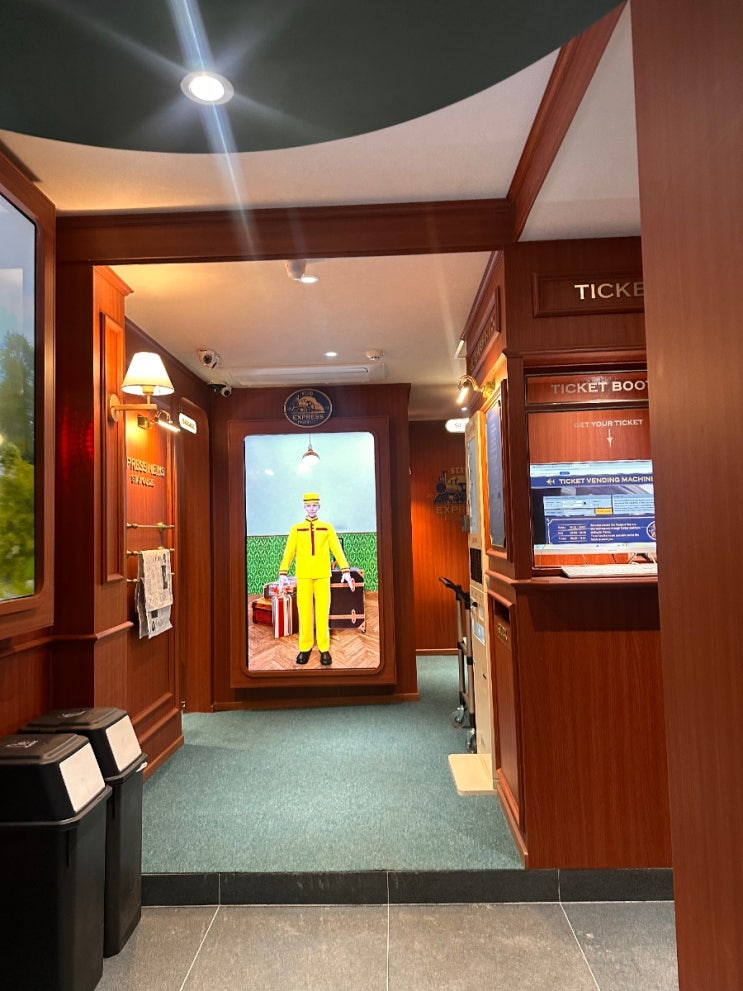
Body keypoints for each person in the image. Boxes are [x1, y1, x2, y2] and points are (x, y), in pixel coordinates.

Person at [278, 492, 355, 666]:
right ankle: (305, 648)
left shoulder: (327, 528)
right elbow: (289, 552)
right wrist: (283, 572)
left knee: (322, 612)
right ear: (304, 507)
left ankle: (324, 648)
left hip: (322, 575)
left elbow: (337, 549)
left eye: (314, 505)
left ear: (319, 506)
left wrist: (345, 570)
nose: (311, 508)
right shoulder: (296, 529)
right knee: (304, 612)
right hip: (304, 575)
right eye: (308, 505)